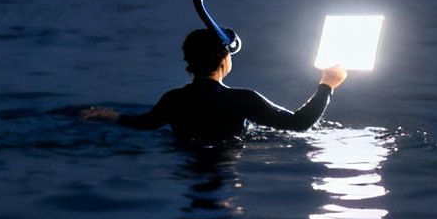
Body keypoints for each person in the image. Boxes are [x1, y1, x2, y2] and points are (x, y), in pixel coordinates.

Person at [82, 28, 347, 140]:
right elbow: (299, 124)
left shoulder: (174, 99)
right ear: (224, 59)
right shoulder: (242, 100)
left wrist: (112, 116)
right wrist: (327, 84)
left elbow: (143, 123)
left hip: (184, 165)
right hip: (225, 162)